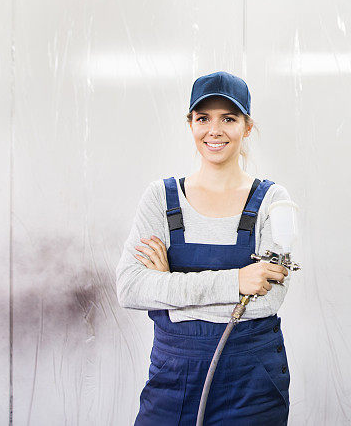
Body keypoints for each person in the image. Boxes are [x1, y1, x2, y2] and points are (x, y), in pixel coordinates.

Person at [116, 71, 293, 425]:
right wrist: (237, 282)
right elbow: (130, 288)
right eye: (203, 118)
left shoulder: (274, 202)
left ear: (247, 127)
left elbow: (267, 301)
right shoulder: (160, 198)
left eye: (228, 118)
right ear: (191, 124)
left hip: (252, 383)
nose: (215, 130)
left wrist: (170, 291)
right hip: (173, 379)